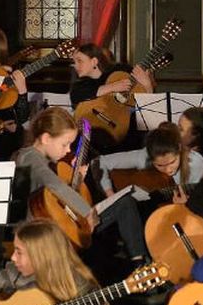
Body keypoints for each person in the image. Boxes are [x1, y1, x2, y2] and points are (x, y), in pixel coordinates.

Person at [13, 107, 148, 262]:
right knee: (122, 207)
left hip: (59, 223)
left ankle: (138, 261)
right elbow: (55, 187)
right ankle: (136, 262)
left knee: (125, 203)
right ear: (46, 139)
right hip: (45, 233)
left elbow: (55, 197)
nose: (68, 150)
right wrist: (87, 212)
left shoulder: (46, 161)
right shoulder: (30, 157)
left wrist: (77, 180)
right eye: (65, 144)